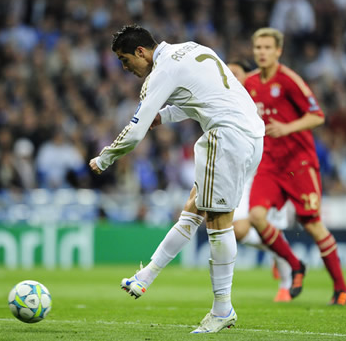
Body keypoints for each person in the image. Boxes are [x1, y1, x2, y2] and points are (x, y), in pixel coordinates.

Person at [89, 24, 265, 333]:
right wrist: (166, 115)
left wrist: (105, 158)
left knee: (218, 222)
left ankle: (222, 309)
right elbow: (203, 97)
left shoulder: (161, 72)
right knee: (194, 208)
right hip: (251, 132)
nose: (125, 67)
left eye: (124, 59)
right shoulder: (193, 48)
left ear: (141, 51)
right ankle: (145, 278)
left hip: (226, 136)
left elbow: (135, 133)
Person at [244, 27, 346, 305]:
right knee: (256, 216)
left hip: (299, 165)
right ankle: (295, 264)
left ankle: (341, 288)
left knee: (313, 226)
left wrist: (288, 127)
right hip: (269, 163)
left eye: (268, 48)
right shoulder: (250, 83)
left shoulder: (289, 80)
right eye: (258, 48)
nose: (262, 53)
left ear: (278, 51)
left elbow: (317, 116)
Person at [228, 60, 293, 302]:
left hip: (270, 172)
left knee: (266, 226)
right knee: (239, 229)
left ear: (249, 76)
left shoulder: (265, 100)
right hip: (243, 174)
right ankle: (279, 251)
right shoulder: (226, 99)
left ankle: (286, 286)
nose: (230, 77)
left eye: (235, 72)